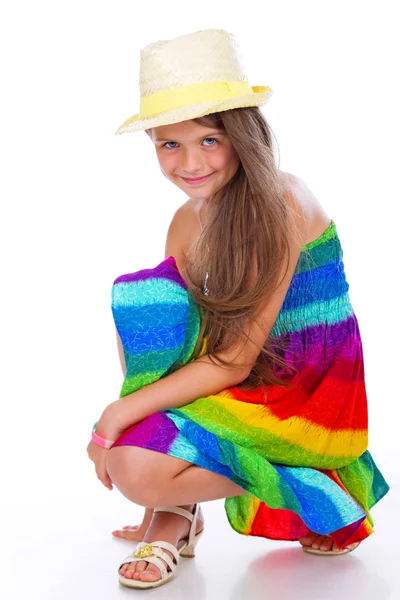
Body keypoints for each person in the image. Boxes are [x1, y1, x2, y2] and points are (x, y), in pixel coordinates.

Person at [86, 29, 389, 590]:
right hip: (237, 369)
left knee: (134, 466)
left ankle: (306, 476)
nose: (189, 162)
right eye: (168, 144)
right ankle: (178, 511)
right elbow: (171, 341)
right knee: (146, 301)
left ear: (243, 134)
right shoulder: (189, 219)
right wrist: (134, 415)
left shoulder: (279, 205)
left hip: (303, 387)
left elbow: (233, 362)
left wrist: (114, 419)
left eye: (208, 140)